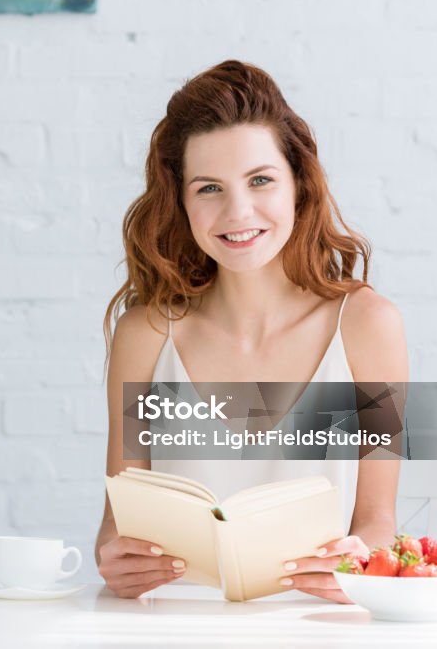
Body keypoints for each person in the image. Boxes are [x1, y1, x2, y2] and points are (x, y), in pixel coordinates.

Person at [95, 60, 407, 603]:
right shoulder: (145, 335)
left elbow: (379, 522)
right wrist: (117, 562)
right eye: (209, 187)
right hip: (173, 630)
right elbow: (115, 528)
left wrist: (359, 563)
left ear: (298, 186)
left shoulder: (366, 326)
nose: (237, 212)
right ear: (181, 201)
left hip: (316, 628)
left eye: (260, 180)